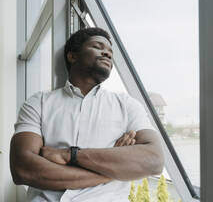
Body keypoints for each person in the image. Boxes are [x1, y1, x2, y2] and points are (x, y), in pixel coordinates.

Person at [10, 27, 164, 201]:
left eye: (110, 52)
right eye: (98, 47)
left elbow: (155, 160)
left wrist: (69, 155)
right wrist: (112, 171)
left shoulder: (127, 105)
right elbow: (22, 169)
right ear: (73, 56)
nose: (107, 53)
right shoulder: (38, 102)